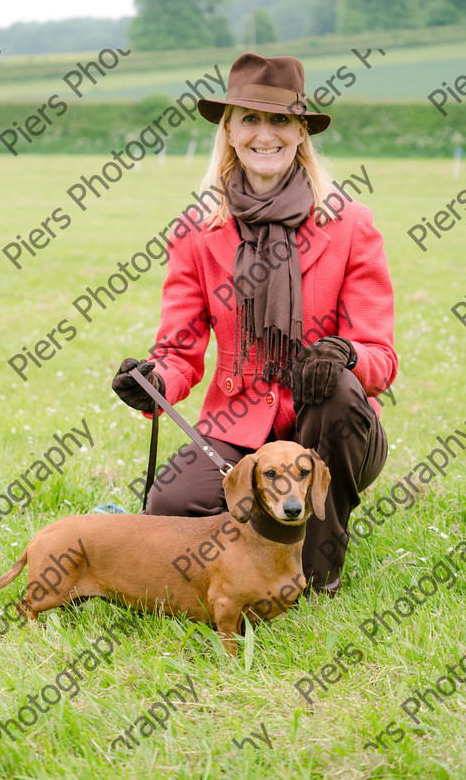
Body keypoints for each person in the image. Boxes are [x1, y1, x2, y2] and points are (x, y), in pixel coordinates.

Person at [112, 53, 397, 595]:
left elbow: (380, 356)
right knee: (170, 506)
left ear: (301, 133)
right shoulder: (196, 232)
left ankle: (317, 568)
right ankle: (257, 534)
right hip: (237, 433)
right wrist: (153, 382)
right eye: (249, 118)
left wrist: (346, 357)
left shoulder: (351, 224)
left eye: (281, 120)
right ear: (229, 131)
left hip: (331, 429)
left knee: (336, 388)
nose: (265, 134)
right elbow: (180, 349)